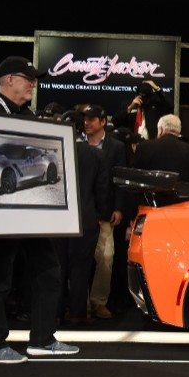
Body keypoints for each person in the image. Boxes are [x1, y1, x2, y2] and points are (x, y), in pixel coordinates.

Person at [0, 56, 79, 363]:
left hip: (32, 211)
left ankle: (42, 339)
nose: (33, 84)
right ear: (8, 80)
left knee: (49, 270)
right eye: (28, 79)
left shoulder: (30, 116)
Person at [78, 104, 127, 321]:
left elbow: (119, 179)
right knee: (79, 259)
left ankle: (99, 302)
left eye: (92, 119)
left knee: (106, 257)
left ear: (103, 121)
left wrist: (118, 207)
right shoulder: (75, 143)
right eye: (85, 119)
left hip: (106, 212)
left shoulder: (116, 147)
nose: (87, 122)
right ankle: (79, 303)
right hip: (81, 212)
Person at [60, 124, 109, 326]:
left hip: (58, 219)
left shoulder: (56, 150)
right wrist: (101, 214)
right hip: (87, 218)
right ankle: (78, 314)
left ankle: (56, 312)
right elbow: (102, 188)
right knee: (81, 268)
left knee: (58, 267)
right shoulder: (94, 154)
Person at [132, 113, 189, 180]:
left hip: (149, 195)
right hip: (182, 195)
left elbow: (136, 179)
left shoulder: (144, 147)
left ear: (160, 130)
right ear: (179, 131)